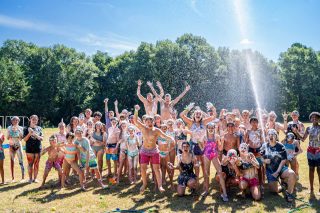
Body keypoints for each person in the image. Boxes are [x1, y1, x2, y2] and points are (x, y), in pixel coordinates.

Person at [133, 105, 174, 193]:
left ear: (153, 122)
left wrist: (171, 139)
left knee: (157, 168)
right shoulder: (143, 128)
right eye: (147, 121)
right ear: (145, 122)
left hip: (154, 150)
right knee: (143, 168)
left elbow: (165, 136)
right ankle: (144, 184)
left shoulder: (156, 130)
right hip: (144, 150)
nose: (149, 122)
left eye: (151, 121)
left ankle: (160, 186)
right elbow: (135, 120)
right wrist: (136, 110)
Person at [180, 102, 216, 182]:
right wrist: (188, 108)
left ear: (201, 116)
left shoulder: (204, 122)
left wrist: (212, 107)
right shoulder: (191, 122)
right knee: (196, 164)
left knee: (204, 163)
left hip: (202, 145)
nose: (198, 114)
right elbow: (181, 115)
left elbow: (214, 116)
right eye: (196, 113)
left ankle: (205, 180)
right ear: (194, 115)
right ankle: (196, 181)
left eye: (200, 113)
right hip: (193, 145)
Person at [260, 129, 297, 202]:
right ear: (267, 137)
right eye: (269, 135)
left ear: (276, 136)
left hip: (281, 168)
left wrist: (277, 171)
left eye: (273, 134)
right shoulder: (264, 146)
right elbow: (260, 157)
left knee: (292, 174)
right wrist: (264, 160)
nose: (271, 136)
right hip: (270, 170)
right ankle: (283, 186)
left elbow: (284, 160)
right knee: (274, 191)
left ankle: (289, 193)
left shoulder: (280, 146)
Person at [202, 122, 228, 200]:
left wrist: (222, 140)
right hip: (206, 156)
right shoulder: (205, 137)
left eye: (212, 128)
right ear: (207, 128)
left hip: (214, 155)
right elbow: (204, 148)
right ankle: (206, 190)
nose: (210, 129)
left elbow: (220, 148)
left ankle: (224, 193)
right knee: (206, 173)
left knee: (220, 172)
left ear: (214, 128)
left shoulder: (216, 136)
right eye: (209, 128)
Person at [302, 112, 320, 195]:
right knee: (311, 169)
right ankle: (311, 188)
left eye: (316, 117)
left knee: (319, 170)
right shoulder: (308, 128)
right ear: (310, 119)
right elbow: (303, 139)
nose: (314, 118)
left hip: (319, 151)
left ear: (318, 119)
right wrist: (295, 131)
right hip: (310, 151)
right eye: (312, 117)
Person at [245, 117, 264, 192]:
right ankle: (251, 183)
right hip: (251, 150)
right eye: (252, 122)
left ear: (257, 123)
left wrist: (262, 150)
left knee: (259, 166)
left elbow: (262, 141)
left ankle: (261, 183)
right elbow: (246, 141)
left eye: (255, 122)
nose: (254, 123)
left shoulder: (260, 130)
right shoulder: (248, 131)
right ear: (250, 123)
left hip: (258, 149)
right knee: (250, 166)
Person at [23, 115, 43, 183]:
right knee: (30, 164)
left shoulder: (39, 128)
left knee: (36, 164)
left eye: (36, 119)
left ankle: (35, 178)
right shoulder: (26, 128)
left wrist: (36, 135)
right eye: (33, 119)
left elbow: (41, 138)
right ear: (30, 120)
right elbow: (25, 139)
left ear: (37, 120)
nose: (34, 121)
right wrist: (29, 134)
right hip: (29, 149)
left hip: (38, 148)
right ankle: (30, 179)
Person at [7, 116, 25, 182]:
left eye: (17, 120)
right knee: (12, 161)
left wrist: (18, 131)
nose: (15, 121)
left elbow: (21, 138)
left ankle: (23, 178)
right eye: (14, 120)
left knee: (21, 161)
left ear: (18, 121)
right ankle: (12, 178)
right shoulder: (9, 128)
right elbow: (7, 137)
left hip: (18, 145)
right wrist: (11, 132)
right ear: (12, 121)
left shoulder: (21, 128)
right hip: (11, 145)